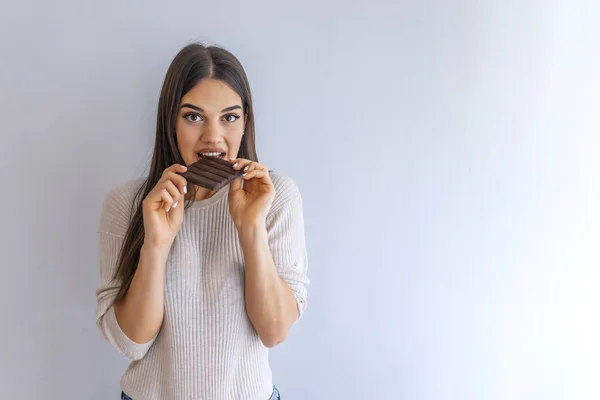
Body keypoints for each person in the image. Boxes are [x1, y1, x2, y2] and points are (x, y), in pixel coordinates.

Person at [95, 42, 309, 400]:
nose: (213, 136)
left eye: (229, 117)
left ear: (245, 122)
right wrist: (157, 244)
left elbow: (273, 331)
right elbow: (131, 342)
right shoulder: (129, 203)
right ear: (171, 122)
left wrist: (250, 228)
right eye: (193, 116)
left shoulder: (277, 198)